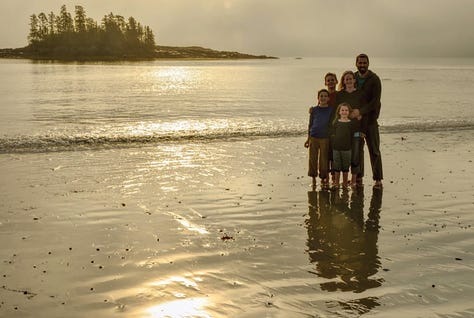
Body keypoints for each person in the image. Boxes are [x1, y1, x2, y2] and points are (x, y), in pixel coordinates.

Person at [353, 54, 383, 188]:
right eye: (360, 63)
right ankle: (359, 177)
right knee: (358, 150)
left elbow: (375, 102)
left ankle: (378, 179)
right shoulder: (353, 77)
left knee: (374, 150)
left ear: (368, 64)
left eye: (364, 63)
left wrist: (361, 111)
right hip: (357, 123)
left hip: (371, 121)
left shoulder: (375, 79)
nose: (362, 65)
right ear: (356, 64)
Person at [335, 70, 365, 186]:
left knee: (356, 155)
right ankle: (342, 179)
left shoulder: (360, 94)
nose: (348, 81)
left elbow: (363, 112)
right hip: (343, 130)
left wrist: (363, 130)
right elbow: (336, 112)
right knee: (344, 155)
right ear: (343, 81)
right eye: (346, 79)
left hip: (356, 129)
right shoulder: (340, 94)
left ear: (354, 80)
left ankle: (354, 180)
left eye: (350, 78)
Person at [304, 89, 333, 189]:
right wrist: (308, 139)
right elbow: (310, 124)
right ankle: (313, 178)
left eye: (325, 96)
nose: (323, 98)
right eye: (321, 96)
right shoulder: (314, 110)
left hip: (325, 138)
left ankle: (323, 178)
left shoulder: (331, 110)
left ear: (328, 98)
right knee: (312, 158)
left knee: (324, 159)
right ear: (318, 98)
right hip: (313, 137)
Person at [330, 103, 355, 188]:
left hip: (347, 149)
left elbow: (353, 135)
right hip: (336, 148)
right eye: (342, 110)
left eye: (346, 110)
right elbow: (332, 134)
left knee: (345, 167)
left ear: (349, 112)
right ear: (339, 112)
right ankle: (336, 183)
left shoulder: (351, 123)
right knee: (337, 166)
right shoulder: (336, 122)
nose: (344, 112)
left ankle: (344, 183)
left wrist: (360, 134)